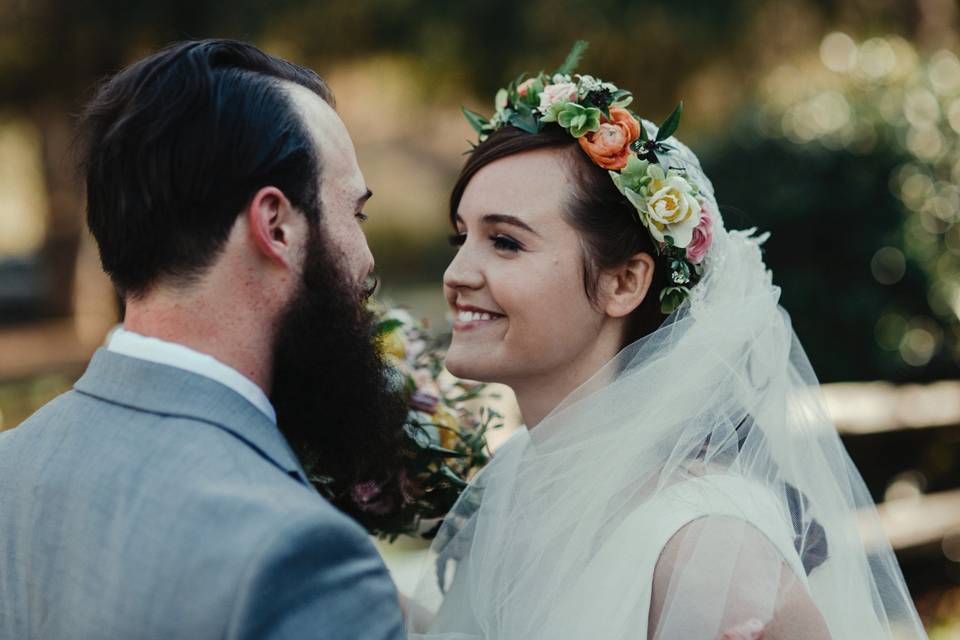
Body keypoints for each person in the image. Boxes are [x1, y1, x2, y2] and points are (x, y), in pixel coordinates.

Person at [407, 57, 928, 639]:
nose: (456, 273)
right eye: (462, 237)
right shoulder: (519, 480)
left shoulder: (706, 547)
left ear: (624, 283)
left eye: (504, 242)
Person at [0, 40, 407, 639]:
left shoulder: (11, 466)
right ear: (276, 226)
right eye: (356, 215)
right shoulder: (298, 553)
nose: (367, 261)